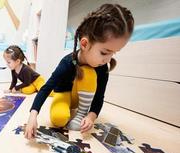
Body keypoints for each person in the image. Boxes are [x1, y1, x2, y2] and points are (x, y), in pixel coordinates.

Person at [24, 4, 134, 139]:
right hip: (63, 93)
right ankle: (70, 109)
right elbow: (46, 88)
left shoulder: (102, 68)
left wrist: (91, 116)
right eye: (105, 52)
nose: (108, 59)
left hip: (81, 101)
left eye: (113, 54)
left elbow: (99, 97)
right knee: (59, 119)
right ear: (84, 44)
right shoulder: (67, 62)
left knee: (88, 73)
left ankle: (81, 112)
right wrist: (33, 116)